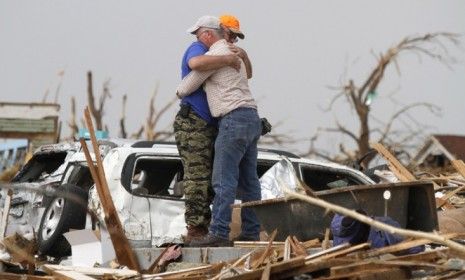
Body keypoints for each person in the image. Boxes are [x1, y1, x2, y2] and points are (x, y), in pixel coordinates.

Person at [176, 20, 262, 247]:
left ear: (209, 35)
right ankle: (252, 232)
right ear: (225, 32)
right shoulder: (237, 54)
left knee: (223, 179)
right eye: (232, 34)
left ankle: (219, 232)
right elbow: (249, 75)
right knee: (250, 181)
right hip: (252, 117)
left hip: (232, 119)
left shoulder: (217, 54)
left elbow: (183, 88)